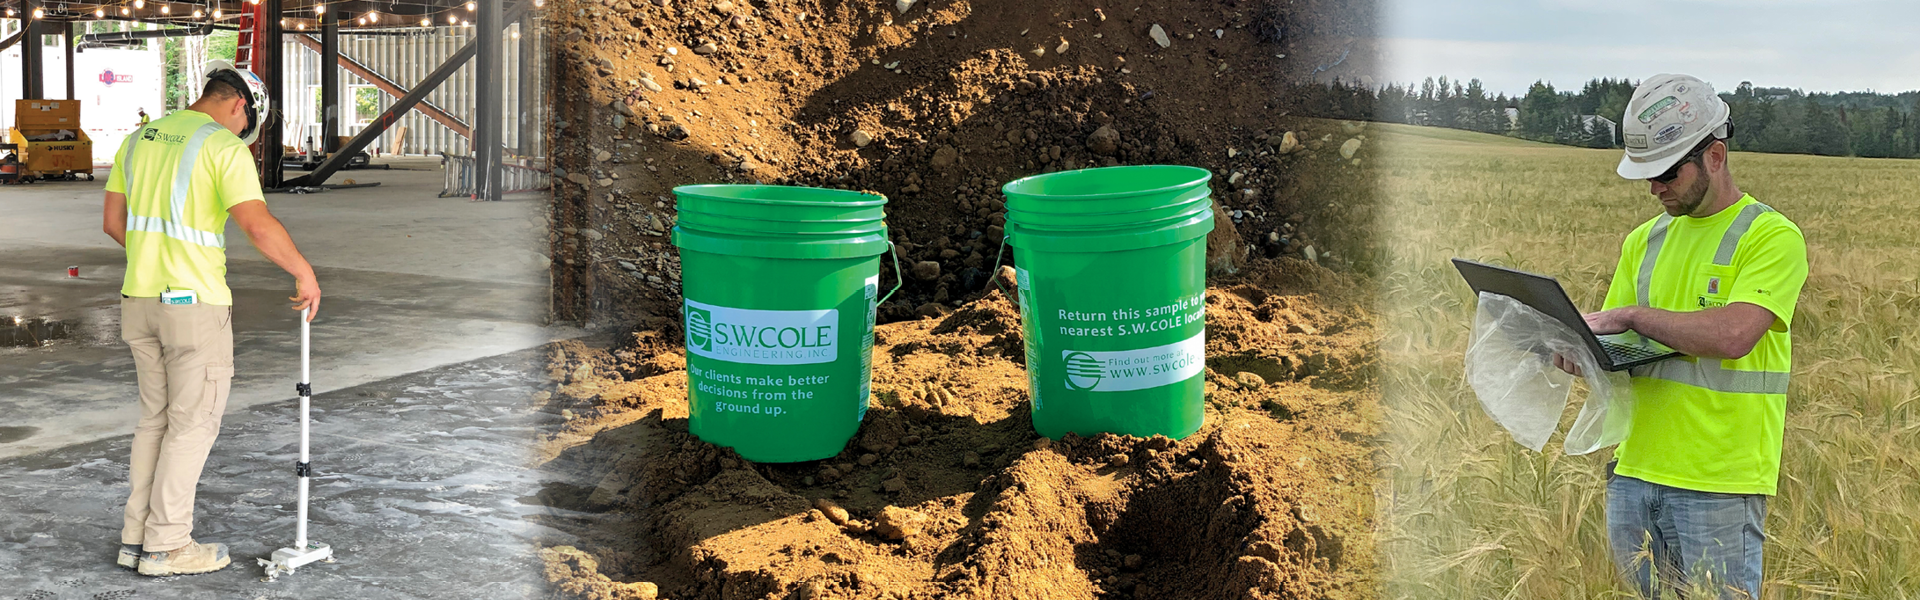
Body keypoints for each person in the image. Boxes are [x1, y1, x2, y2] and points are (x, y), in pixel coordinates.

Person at [1555, 74, 1807, 599]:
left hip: (1719, 482)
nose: (1655, 188)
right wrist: (1575, 348)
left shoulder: (1770, 236)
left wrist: (1632, 316)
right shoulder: (1643, 241)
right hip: (1634, 470)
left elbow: (1735, 333)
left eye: (1667, 172)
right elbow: (1622, 348)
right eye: (1646, 176)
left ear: (1715, 156)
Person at [101, 61, 322, 577]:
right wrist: (304, 273)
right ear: (240, 106)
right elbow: (257, 224)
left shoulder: (138, 140)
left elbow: (114, 223)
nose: (245, 134)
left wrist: (156, 258)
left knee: (154, 422)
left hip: (138, 301)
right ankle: (167, 545)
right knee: (192, 425)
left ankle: (136, 539)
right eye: (248, 124)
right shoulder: (222, 147)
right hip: (193, 307)